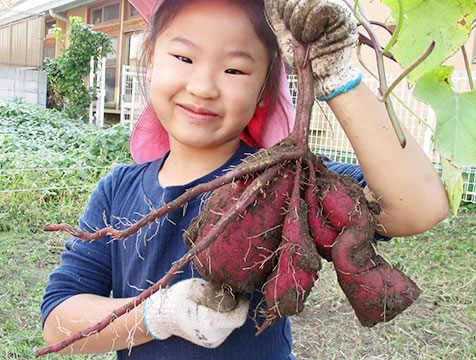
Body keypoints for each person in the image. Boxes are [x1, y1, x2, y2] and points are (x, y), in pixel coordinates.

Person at [40, 0, 449, 359]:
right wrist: (155, 315)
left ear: (264, 91)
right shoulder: (117, 192)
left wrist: (337, 76)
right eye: (184, 58)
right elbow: (58, 321)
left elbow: (417, 208)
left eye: (235, 69)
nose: (202, 87)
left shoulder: (290, 179)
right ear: (150, 61)